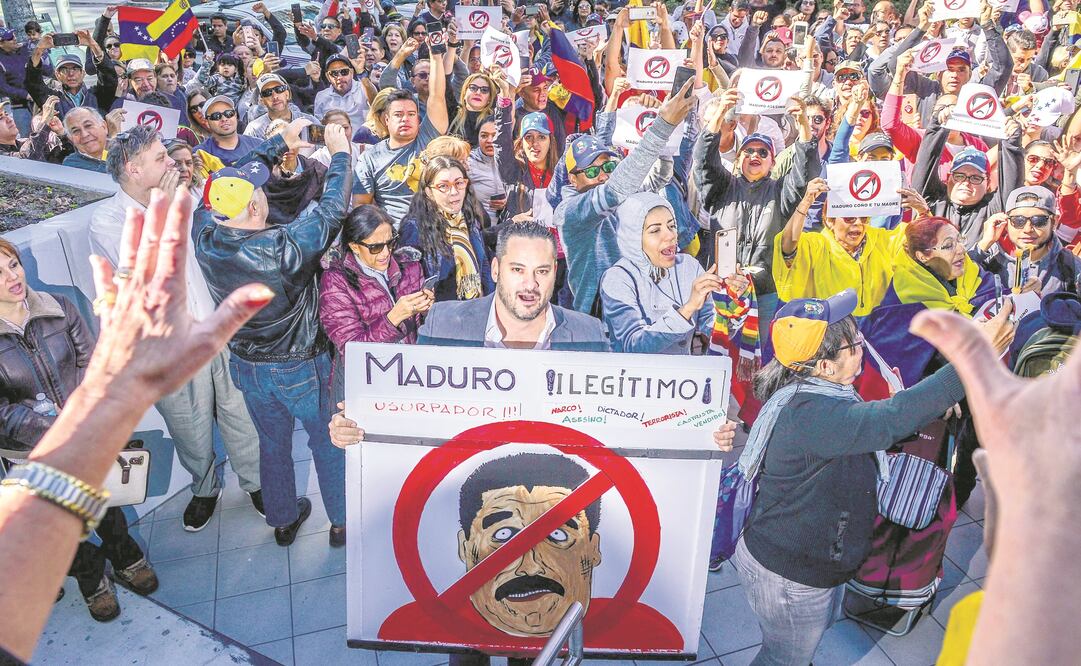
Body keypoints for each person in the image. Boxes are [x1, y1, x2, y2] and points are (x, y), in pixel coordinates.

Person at [730, 288, 1004, 665]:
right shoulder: (812, 415)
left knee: (795, 650)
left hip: (810, 564)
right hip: (792, 577)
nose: (863, 345)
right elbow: (889, 420)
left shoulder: (822, 394)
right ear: (824, 366)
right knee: (784, 658)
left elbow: (878, 428)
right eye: (855, 343)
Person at [89, 125, 264, 530]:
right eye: (160, 159)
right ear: (133, 169)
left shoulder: (180, 198)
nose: (172, 163)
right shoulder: (108, 220)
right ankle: (205, 488)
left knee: (241, 415)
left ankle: (256, 483)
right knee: (190, 428)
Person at [194, 119, 352, 548]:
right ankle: (340, 522)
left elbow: (218, 188)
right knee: (326, 442)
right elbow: (333, 210)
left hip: (247, 365)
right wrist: (340, 155)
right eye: (259, 194)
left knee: (272, 444)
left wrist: (274, 145)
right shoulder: (281, 249)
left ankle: (282, 520)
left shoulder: (205, 235)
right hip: (301, 365)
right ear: (256, 209)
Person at [0, 238, 158, 622]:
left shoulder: (59, 308)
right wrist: (49, 426)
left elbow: (92, 362)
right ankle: (91, 579)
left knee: (103, 505)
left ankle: (125, 556)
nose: (11, 278)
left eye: (13, 266)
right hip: (29, 453)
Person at [693, 92, 821, 353]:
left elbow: (805, 172)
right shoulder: (721, 187)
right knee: (717, 356)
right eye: (748, 151)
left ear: (773, 162)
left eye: (763, 152)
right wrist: (719, 114)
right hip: (721, 290)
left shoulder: (781, 193)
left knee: (755, 362)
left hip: (764, 295)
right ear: (738, 160)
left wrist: (804, 127)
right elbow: (703, 160)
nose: (755, 155)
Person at [556, 80, 697, 315]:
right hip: (598, 317)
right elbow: (614, 190)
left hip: (636, 309)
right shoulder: (570, 211)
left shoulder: (622, 198)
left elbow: (659, 178)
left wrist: (654, 121)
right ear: (573, 179)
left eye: (608, 166)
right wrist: (662, 126)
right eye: (591, 171)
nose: (602, 176)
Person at [319, 205, 432, 396]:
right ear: (354, 246)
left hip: (410, 376)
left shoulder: (410, 266)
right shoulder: (335, 281)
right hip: (366, 383)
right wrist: (393, 318)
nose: (386, 253)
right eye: (375, 247)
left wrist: (428, 309)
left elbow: (424, 327)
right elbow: (351, 349)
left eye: (390, 242)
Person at [600, 192, 731, 354]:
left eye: (672, 226)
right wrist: (688, 308)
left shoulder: (688, 266)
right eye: (655, 230)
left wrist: (733, 306)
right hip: (636, 377)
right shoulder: (617, 278)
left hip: (683, 378)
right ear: (633, 238)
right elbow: (634, 346)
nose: (670, 235)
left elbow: (712, 326)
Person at [353, 56, 449, 225]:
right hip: (397, 235)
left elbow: (437, 96)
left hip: (438, 227)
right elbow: (361, 206)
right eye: (398, 114)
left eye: (411, 114)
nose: (405, 119)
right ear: (386, 120)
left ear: (418, 119)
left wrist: (436, 56)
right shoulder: (370, 158)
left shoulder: (428, 137)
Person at [399, 156, 495, 302]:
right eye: (443, 186)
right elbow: (408, 285)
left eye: (459, 183)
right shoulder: (414, 228)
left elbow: (484, 268)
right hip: (441, 315)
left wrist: (490, 302)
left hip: (475, 308)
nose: (454, 192)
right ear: (429, 192)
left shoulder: (470, 219)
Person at [972, 186, 1081, 296]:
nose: (1028, 229)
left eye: (1039, 221)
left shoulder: (1070, 265)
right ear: (1006, 222)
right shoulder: (987, 256)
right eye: (1018, 221)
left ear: (1054, 222)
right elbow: (955, 284)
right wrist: (984, 244)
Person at [25, 35, 116, 118]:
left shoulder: (96, 96)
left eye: (75, 69)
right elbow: (33, 83)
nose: (71, 74)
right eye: (64, 70)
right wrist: (39, 50)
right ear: (57, 75)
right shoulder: (52, 100)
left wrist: (93, 46)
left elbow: (109, 78)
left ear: (83, 73)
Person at [195, 95, 263, 166]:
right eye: (216, 116)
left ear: (235, 116)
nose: (224, 119)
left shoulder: (259, 145)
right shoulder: (199, 155)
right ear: (207, 122)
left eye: (229, 113)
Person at [243, 73, 316, 140]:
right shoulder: (254, 130)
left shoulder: (310, 122)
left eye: (279, 89)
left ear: (287, 94)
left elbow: (324, 150)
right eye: (267, 93)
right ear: (262, 101)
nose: (275, 96)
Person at [313, 54, 373, 132]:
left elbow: (375, 101)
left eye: (344, 72)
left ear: (351, 73)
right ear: (328, 77)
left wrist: (361, 73)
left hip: (362, 142)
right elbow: (319, 127)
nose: (339, 77)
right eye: (334, 73)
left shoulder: (364, 88)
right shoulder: (321, 96)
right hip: (334, 141)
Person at [58, 106, 109, 172]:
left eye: (88, 126)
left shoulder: (124, 150)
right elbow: (104, 176)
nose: (84, 135)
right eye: (76, 131)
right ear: (70, 138)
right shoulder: (72, 164)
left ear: (104, 127)